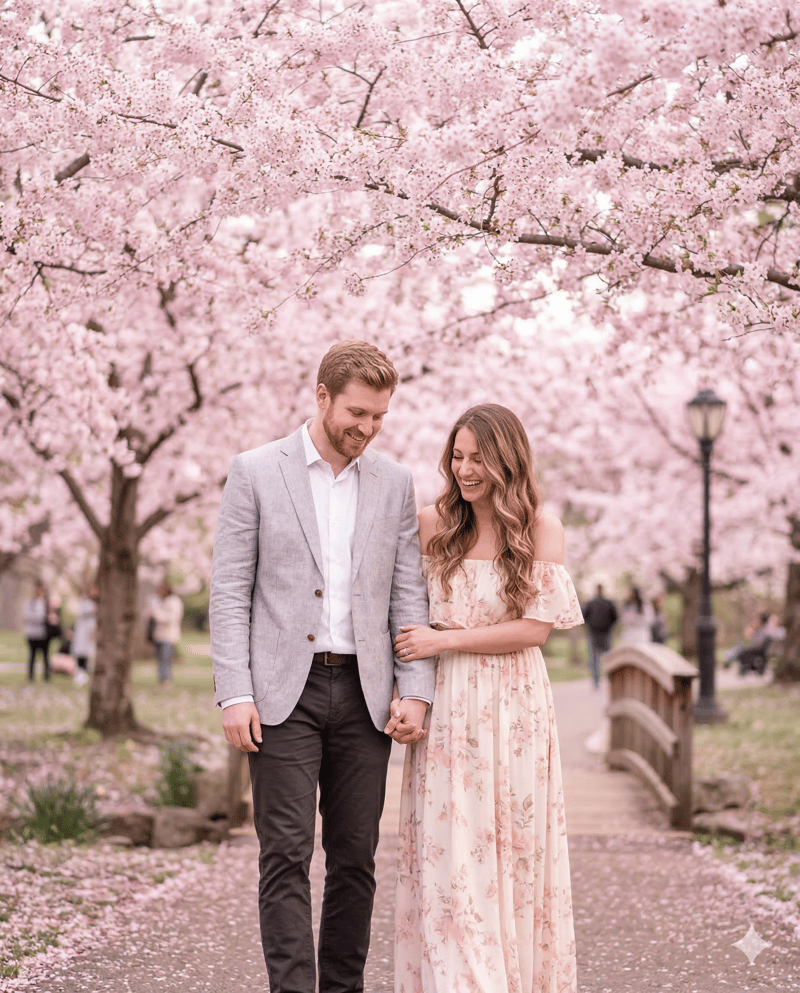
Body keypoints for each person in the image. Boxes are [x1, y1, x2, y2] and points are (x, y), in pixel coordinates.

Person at [209, 341, 436, 993]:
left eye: (378, 418)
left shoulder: (393, 482)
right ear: (322, 396)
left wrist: (415, 688)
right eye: (357, 412)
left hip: (365, 694)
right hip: (283, 692)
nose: (365, 428)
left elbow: (405, 592)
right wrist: (234, 692)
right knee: (284, 854)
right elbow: (229, 589)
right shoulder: (255, 471)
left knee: (356, 859)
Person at [394, 404, 583, 993]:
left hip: (514, 705)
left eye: (479, 456)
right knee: (450, 852)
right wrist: (411, 689)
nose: (466, 469)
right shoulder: (433, 523)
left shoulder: (539, 528)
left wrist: (445, 640)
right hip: (447, 705)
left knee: (514, 847)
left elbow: (534, 629)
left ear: (508, 459)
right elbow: (403, 610)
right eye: (458, 455)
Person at [581, 583, 618, 687]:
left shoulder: (600, 603)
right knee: (600, 658)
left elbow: (615, 617)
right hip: (599, 633)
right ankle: (601, 680)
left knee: (599, 658)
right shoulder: (606, 603)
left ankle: (602, 679)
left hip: (600, 633)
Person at [149, 582, 184, 685]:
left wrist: (157, 615)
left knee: (166, 658)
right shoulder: (156, 600)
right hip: (158, 634)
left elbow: (173, 618)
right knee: (160, 659)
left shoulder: (174, 602)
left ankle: (166, 680)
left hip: (169, 635)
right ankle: (161, 679)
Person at [24, 581, 50, 682]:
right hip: (33, 634)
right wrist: (40, 618)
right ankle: (31, 677)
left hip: (44, 634)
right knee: (32, 656)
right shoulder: (30, 602)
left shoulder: (46, 603)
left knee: (45, 656)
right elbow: (27, 616)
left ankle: (46, 677)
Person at [72, 584, 98, 687]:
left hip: (91, 632)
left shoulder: (96, 603)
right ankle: (80, 674)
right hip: (83, 631)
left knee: (88, 653)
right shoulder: (84, 602)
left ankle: (85, 674)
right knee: (81, 653)